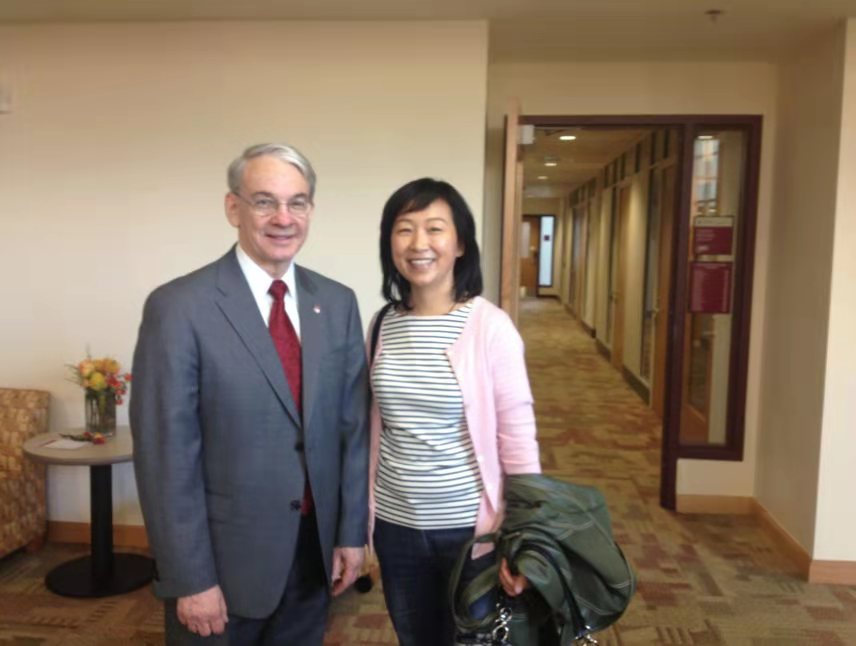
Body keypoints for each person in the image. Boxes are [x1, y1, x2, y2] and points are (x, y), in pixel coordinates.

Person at [130, 143, 369, 645]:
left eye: (297, 202)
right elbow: (166, 458)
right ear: (233, 208)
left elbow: (352, 432)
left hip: (313, 556)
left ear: (310, 210)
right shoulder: (179, 307)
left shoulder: (337, 303)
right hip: (221, 566)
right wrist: (190, 578)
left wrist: (350, 533)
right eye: (264, 201)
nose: (283, 218)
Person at [367, 178, 542, 646]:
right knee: (416, 638)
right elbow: (377, 428)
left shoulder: (490, 327)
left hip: (471, 532)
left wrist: (524, 538)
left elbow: (518, 441)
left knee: (474, 641)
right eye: (404, 229)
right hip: (396, 527)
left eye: (434, 228)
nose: (418, 243)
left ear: (460, 243)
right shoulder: (382, 324)